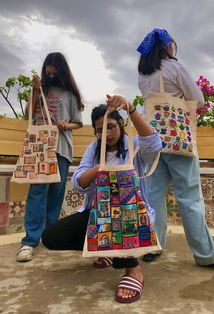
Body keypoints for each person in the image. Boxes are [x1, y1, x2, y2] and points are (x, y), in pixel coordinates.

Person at [41, 95, 162, 303]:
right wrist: (100, 168)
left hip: (132, 217)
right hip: (99, 215)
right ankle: (106, 248)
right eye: (100, 129)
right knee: (51, 237)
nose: (106, 133)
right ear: (95, 131)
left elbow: (154, 143)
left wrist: (131, 108)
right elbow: (79, 181)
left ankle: (133, 270)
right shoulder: (94, 149)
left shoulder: (133, 144)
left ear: (121, 123)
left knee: (121, 216)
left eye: (111, 126)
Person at [137, 28, 214, 269]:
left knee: (154, 197)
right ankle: (205, 255)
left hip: (152, 144)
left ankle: (154, 246)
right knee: (189, 198)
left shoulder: (143, 74)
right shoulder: (175, 67)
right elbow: (198, 99)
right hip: (178, 142)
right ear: (167, 46)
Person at [16, 52, 84, 262]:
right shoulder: (40, 89)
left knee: (56, 192)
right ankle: (29, 241)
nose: (50, 73)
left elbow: (78, 122)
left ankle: (47, 236)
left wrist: (66, 125)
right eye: (48, 69)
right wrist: (35, 91)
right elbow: (29, 114)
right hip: (39, 148)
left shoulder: (70, 94)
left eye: (54, 70)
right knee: (37, 191)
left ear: (61, 70)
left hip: (62, 147)